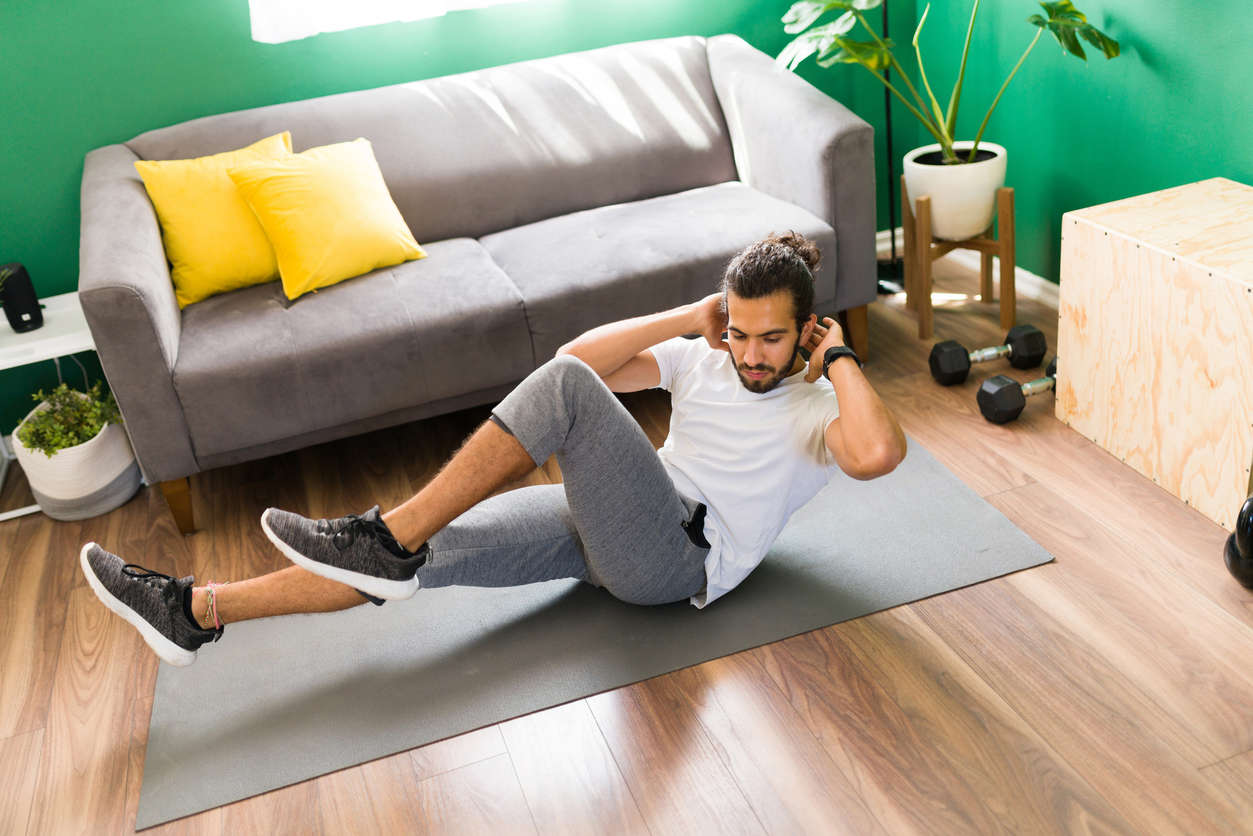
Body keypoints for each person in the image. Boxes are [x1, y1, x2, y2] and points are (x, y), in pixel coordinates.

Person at [80, 232, 907, 667]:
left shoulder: (818, 404)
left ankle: (383, 535)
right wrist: (685, 322)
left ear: (804, 327)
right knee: (420, 561)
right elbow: (581, 363)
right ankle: (195, 612)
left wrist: (836, 357)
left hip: (673, 560)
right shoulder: (706, 354)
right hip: (617, 517)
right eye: (739, 333)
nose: (751, 354)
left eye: (771, 339)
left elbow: (876, 456)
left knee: (555, 403)